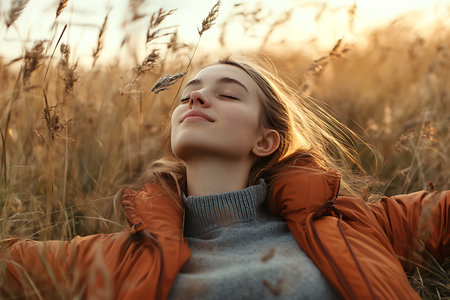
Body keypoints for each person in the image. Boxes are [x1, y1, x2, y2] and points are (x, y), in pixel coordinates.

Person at [0, 57, 448, 300]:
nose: (196, 95)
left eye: (228, 93)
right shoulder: (114, 258)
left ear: (266, 141)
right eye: (189, 91)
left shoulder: (359, 226)